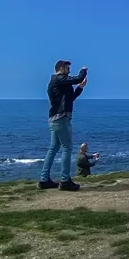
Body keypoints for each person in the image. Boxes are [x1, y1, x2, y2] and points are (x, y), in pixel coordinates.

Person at [39, 61, 87, 192]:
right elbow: (77, 78)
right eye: (67, 68)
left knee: (53, 148)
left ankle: (44, 179)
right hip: (61, 118)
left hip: (55, 118)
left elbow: (70, 98)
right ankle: (65, 180)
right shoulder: (59, 79)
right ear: (61, 68)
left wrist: (80, 88)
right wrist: (84, 70)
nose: (69, 71)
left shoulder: (58, 82)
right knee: (67, 148)